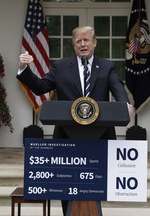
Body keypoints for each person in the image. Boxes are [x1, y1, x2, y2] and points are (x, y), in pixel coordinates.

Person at [17, 25, 134, 215]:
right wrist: (24, 69)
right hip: (67, 138)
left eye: (86, 40)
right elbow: (40, 87)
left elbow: (117, 89)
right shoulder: (61, 66)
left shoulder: (107, 66)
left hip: (99, 137)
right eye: (78, 41)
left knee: (96, 184)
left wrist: (125, 104)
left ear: (94, 43)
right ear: (73, 45)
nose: (83, 44)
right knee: (67, 184)